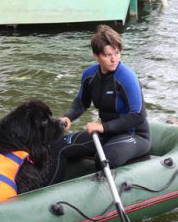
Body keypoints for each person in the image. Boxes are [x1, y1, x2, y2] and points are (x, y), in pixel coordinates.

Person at [52, 25, 151, 180]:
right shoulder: (90, 75)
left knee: (103, 158)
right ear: (96, 56)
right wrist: (68, 117)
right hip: (106, 133)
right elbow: (81, 102)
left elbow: (137, 116)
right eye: (108, 55)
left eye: (117, 53)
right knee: (58, 147)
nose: (114, 59)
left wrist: (103, 127)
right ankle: (48, 195)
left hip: (134, 135)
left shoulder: (127, 77)